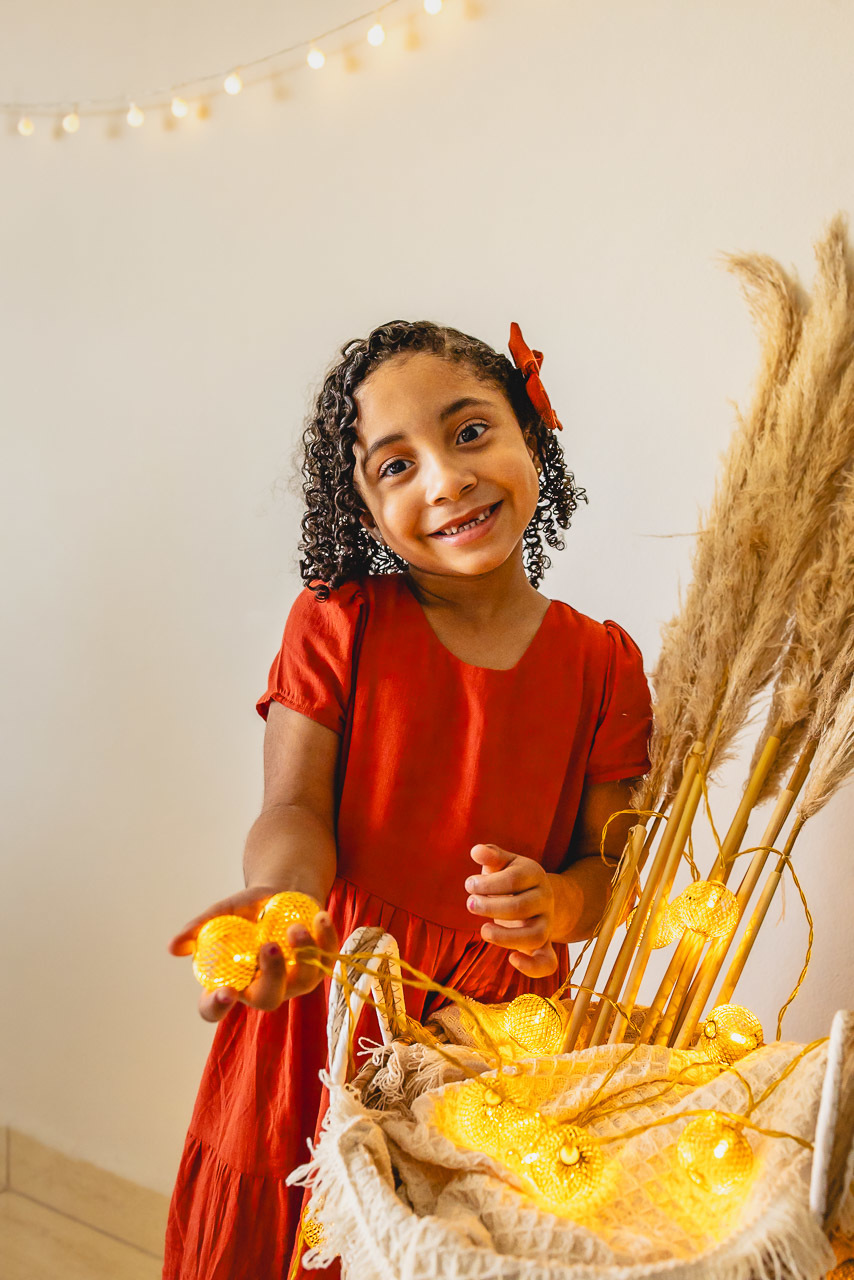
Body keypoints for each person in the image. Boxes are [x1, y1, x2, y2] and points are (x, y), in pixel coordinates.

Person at [163, 320, 653, 1280]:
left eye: (470, 433)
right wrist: (284, 900)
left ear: (530, 434)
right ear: (364, 510)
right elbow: (293, 809)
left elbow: (610, 867)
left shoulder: (604, 664)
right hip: (328, 1003)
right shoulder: (340, 621)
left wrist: (560, 902)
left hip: (482, 1049)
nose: (446, 478)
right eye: (397, 466)